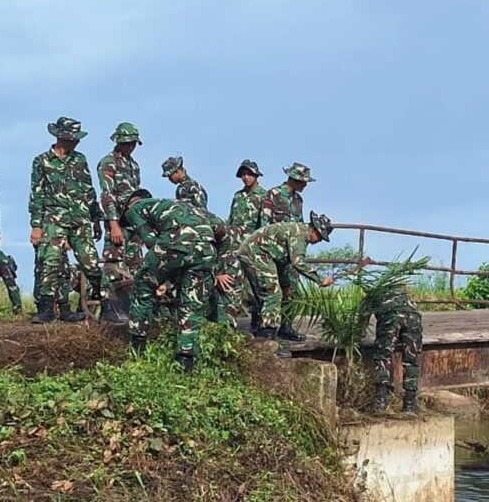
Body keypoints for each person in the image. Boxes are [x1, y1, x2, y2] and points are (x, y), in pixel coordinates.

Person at [120, 190, 233, 373]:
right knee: (192, 304)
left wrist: (161, 278)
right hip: (206, 250)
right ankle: (185, 362)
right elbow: (225, 234)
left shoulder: (134, 208)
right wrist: (219, 269)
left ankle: (137, 349)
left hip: (174, 242)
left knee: (143, 288)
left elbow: (150, 241)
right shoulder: (193, 209)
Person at [28, 116, 107, 323]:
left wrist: (96, 220)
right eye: (74, 138)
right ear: (61, 137)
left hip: (80, 220)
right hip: (53, 219)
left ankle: (107, 303)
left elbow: (89, 191)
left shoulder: (80, 160)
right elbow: (37, 195)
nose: (77, 141)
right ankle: (48, 309)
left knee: (90, 264)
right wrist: (36, 226)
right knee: (51, 264)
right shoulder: (41, 161)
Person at [238, 212, 334, 349]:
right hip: (255, 253)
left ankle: (268, 329)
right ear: (313, 229)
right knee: (273, 293)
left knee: (275, 291)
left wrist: (286, 285)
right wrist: (320, 280)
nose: (319, 241)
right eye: (319, 237)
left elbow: (283, 261)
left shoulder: (299, 233)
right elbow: (298, 262)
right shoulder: (300, 235)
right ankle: (267, 336)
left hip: (261, 254)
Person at [97, 122, 144, 322]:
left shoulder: (134, 165)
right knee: (113, 263)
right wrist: (113, 224)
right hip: (117, 221)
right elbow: (107, 195)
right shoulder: (108, 162)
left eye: (133, 143)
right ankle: (108, 307)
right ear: (118, 142)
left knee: (135, 265)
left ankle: (129, 309)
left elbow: (137, 196)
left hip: (134, 223)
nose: (130, 147)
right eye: (127, 143)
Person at [371, 285, 423, 413]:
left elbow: (363, 318)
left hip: (391, 315)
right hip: (414, 317)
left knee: (383, 356)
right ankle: (410, 404)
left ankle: (381, 403)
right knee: (411, 360)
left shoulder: (375, 294)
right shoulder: (405, 296)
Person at [228, 159, 266, 236]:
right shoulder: (237, 196)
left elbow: (265, 225)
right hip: (234, 239)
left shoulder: (264, 196)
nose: (246, 177)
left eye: (249, 174)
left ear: (256, 175)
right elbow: (231, 219)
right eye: (243, 174)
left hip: (252, 240)